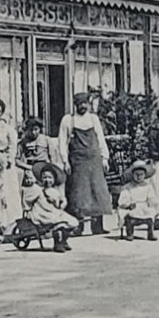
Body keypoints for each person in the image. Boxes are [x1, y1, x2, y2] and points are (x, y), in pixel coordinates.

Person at [59, 91, 113, 233]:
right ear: (75, 104)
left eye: (85, 103)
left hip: (94, 159)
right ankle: (77, 226)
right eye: (80, 103)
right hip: (77, 160)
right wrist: (65, 161)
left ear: (89, 104)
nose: (83, 106)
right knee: (77, 193)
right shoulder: (68, 120)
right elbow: (62, 142)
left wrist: (105, 158)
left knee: (97, 191)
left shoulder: (94, 119)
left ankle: (98, 226)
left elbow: (101, 138)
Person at [23, 162, 78, 252]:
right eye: (44, 177)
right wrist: (27, 210)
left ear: (54, 179)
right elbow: (27, 200)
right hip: (41, 213)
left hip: (54, 211)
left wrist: (62, 203)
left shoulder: (55, 190)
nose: (47, 180)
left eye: (50, 178)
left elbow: (62, 200)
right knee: (57, 222)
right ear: (41, 178)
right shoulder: (38, 190)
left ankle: (63, 240)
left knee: (72, 222)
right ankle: (57, 243)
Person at [118, 160, 159, 241]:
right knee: (129, 215)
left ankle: (150, 233)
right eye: (137, 174)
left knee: (151, 213)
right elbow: (124, 198)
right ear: (132, 175)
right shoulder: (128, 187)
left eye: (141, 175)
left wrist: (151, 202)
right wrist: (128, 204)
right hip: (133, 206)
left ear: (144, 175)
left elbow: (152, 197)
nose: (139, 177)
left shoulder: (147, 186)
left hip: (144, 206)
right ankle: (130, 233)